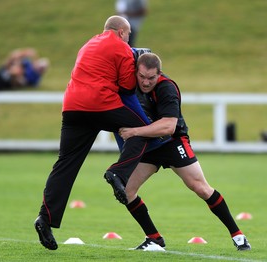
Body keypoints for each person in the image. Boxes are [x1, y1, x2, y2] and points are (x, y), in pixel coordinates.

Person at [33, 16, 151, 251]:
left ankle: (44, 219)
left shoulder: (88, 44)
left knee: (65, 165)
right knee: (143, 130)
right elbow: (128, 87)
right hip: (101, 104)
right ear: (121, 32)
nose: (129, 39)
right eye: (128, 34)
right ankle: (118, 173)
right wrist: (134, 58)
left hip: (73, 107)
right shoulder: (122, 48)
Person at [118, 53, 251, 251]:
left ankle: (238, 236)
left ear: (159, 74)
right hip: (149, 143)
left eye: (151, 78)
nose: (146, 82)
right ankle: (154, 239)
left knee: (201, 188)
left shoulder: (167, 88)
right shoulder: (131, 83)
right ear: (136, 72)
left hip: (172, 142)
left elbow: (168, 127)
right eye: (142, 76)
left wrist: (134, 132)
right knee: (125, 191)